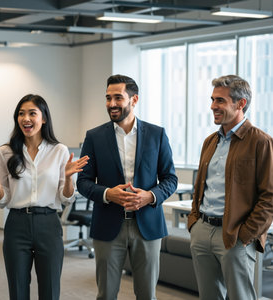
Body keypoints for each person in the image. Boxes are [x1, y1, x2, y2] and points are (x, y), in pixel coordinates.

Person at [77, 74, 178, 300]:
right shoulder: (94, 137)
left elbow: (170, 178)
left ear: (134, 100)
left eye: (118, 98)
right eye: (108, 98)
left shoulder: (156, 134)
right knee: (106, 294)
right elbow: (82, 182)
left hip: (148, 226)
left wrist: (150, 196)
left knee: (147, 295)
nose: (111, 104)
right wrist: (107, 194)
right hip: (108, 225)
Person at [0, 94, 89, 300]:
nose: (26, 119)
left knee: (50, 291)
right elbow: (2, 200)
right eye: (21, 114)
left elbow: (66, 198)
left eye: (32, 113)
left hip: (48, 223)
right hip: (17, 223)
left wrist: (69, 178)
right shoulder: (5, 152)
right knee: (17, 290)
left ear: (43, 119)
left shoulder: (59, 151)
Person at [187, 75, 273, 300]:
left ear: (241, 104)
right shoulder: (210, 141)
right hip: (203, 230)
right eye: (212, 100)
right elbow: (201, 187)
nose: (213, 106)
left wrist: (245, 235)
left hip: (235, 237)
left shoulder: (260, 142)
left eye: (220, 101)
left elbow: (270, 197)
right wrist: (194, 222)